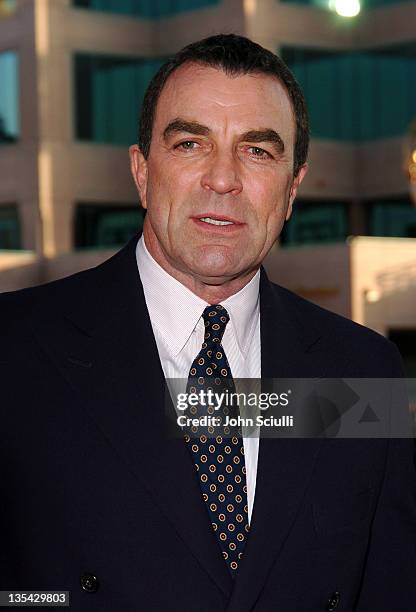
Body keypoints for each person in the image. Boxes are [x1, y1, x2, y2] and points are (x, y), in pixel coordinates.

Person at [1, 34, 415, 612]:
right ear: (142, 172)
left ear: (292, 189)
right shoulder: (15, 352)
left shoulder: (367, 372)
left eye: (259, 151)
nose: (223, 179)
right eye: (191, 143)